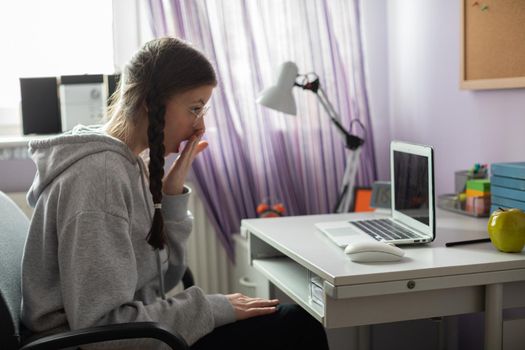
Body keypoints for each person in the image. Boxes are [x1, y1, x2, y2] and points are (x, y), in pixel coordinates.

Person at [21, 37, 329, 349]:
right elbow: (104, 327)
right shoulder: (99, 176)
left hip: (133, 335)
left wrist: (171, 197)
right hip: (99, 343)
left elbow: (158, 282)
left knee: (290, 323)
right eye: (195, 109)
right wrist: (210, 308)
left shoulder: (128, 162)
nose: (201, 128)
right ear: (150, 104)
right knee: (297, 328)